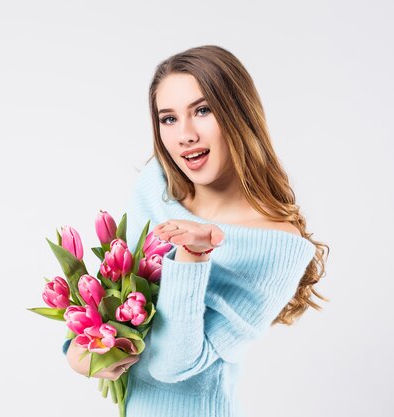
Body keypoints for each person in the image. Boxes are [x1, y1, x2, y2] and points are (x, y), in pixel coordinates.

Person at [63, 44, 329, 416]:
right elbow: (117, 299)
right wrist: (82, 351)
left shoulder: (277, 244)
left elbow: (173, 366)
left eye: (202, 111)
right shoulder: (155, 186)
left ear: (239, 115)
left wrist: (193, 256)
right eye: (168, 118)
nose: (185, 135)